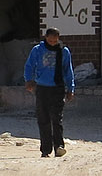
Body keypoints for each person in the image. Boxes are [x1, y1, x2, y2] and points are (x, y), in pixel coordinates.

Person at [24, 27, 75, 157]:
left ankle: (59, 146)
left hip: (58, 87)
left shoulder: (64, 51)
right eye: (50, 40)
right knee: (43, 119)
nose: (52, 43)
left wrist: (71, 88)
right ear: (46, 38)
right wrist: (29, 80)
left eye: (55, 41)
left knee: (56, 118)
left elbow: (68, 71)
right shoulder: (37, 50)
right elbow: (29, 65)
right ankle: (45, 150)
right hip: (42, 88)